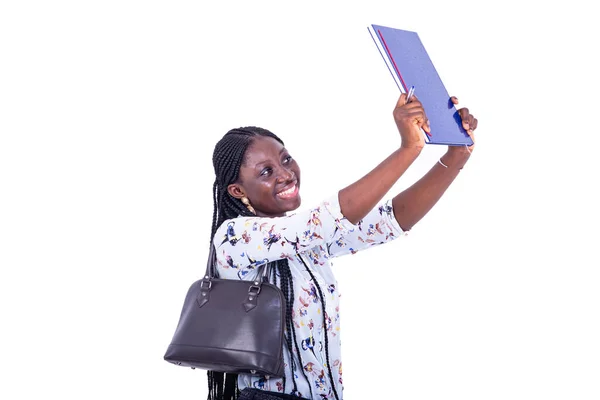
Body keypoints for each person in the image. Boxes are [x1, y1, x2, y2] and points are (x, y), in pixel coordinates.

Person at [208, 93, 478, 400]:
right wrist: (409, 148)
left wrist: (456, 156)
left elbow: (391, 220)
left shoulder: (304, 243)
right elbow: (328, 219)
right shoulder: (235, 237)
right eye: (266, 171)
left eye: (285, 159)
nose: (285, 174)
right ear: (237, 190)